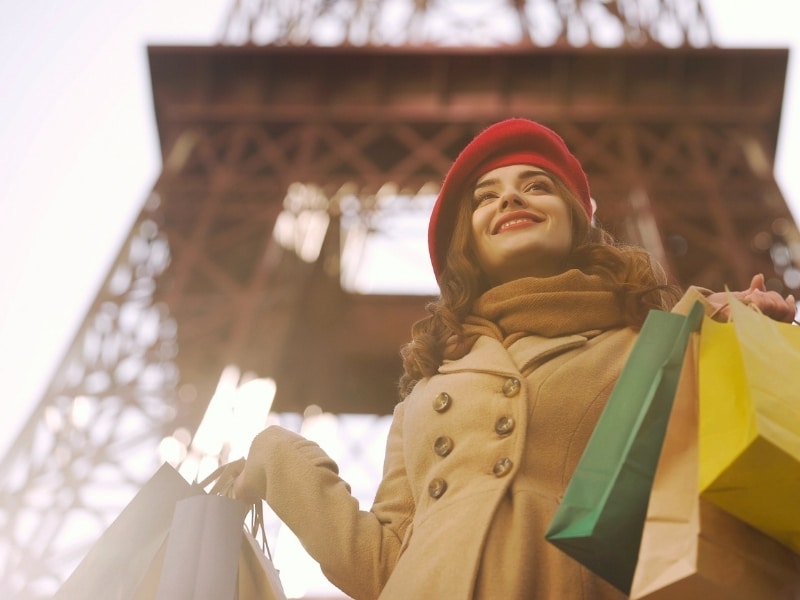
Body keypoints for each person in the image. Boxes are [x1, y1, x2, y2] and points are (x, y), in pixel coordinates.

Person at [229, 118, 797, 599]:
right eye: (485, 195)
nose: (509, 198)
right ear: (467, 241)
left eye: (537, 185)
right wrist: (277, 457)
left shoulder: (660, 345)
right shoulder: (424, 398)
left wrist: (738, 337)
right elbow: (381, 566)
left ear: (578, 220)